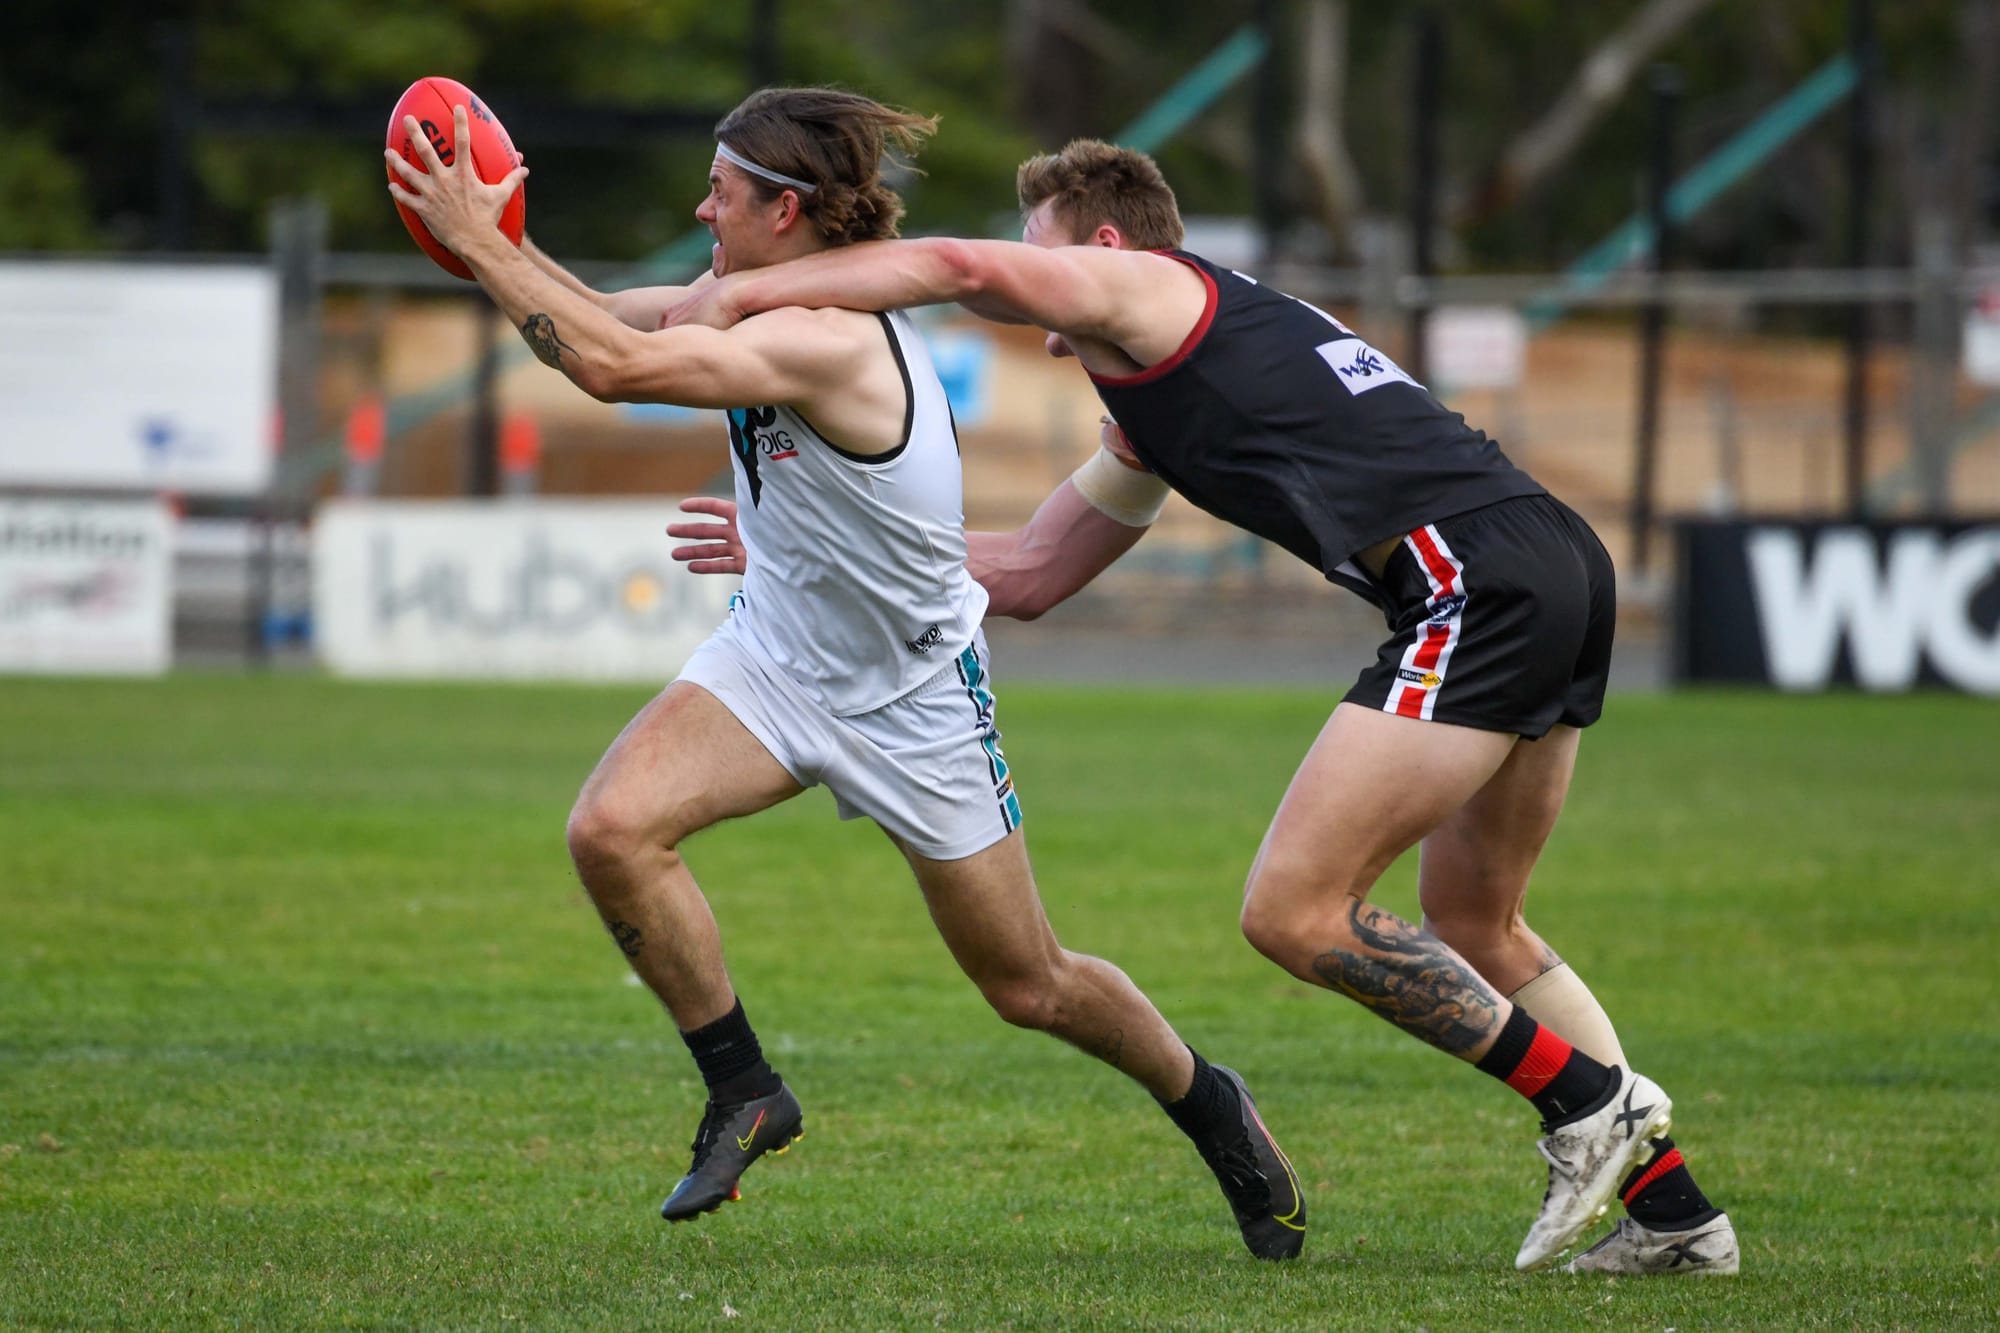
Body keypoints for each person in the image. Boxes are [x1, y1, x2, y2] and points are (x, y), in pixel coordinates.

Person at [663, 139, 1738, 1277]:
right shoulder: (1156, 393)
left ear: (1108, 248)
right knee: (1477, 921)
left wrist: (736, 290)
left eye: (1044, 257)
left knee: (1294, 908)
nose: (1036, 310)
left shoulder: (1153, 287)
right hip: (1546, 558)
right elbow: (1027, 571)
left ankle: (1588, 1104)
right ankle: (1672, 1215)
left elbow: (952, 269)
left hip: (1473, 579)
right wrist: (805, 545)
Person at [385, 93, 1307, 1259]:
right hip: (773, 657)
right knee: (611, 828)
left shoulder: (829, 334)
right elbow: (612, 317)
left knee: (1030, 984)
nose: (699, 208)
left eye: (719, 191)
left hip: (913, 696)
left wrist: (479, 244)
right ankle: (745, 1090)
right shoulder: (759, 297)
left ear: (786, 209)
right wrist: (496, 246)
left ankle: (1208, 1103)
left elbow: (614, 369)